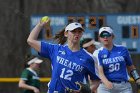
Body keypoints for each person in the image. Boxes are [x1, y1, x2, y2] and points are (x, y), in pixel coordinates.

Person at [27, 18, 100, 93]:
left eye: (79, 31)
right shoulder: (55, 49)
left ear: (82, 34)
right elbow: (30, 40)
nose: (77, 34)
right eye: (73, 31)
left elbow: (96, 81)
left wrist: (88, 90)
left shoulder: (89, 58)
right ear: (66, 34)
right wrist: (40, 25)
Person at [93, 26, 140, 93]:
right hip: (105, 86)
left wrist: (137, 79)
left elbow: (131, 67)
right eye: (102, 35)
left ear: (113, 36)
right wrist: (107, 82)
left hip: (123, 86)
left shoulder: (123, 49)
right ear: (99, 38)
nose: (105, 37)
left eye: (107, 34)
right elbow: (100, 73)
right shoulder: (97, 53)